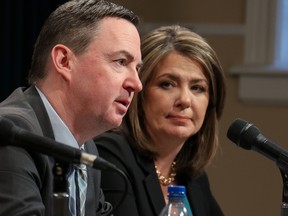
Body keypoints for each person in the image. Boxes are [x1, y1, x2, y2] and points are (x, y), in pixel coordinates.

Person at [0, 0, 142, 215]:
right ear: (64, 61)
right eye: (121, 62)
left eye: (137, 68)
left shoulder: (86, 146)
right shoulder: (12, 136)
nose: (137, 84)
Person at [94, 25, 226, 216]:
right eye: (167, 84)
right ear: (139, 91)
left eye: (197, 88)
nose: (185, 100)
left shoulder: (192, 177)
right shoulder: (111, 156)